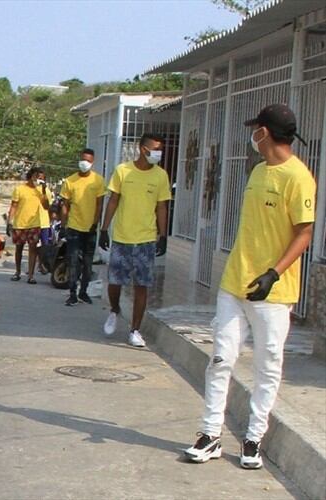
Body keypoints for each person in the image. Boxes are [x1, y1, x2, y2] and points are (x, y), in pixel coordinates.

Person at [184, 104, 316, 470]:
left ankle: (254, 438)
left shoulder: (298, 177)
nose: (252, 137)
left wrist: (273, 273)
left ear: (265, 133)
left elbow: (304, 232)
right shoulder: (258, 171)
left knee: (267, 365)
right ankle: (209, 434)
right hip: (235, 282)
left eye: (255, 130)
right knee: (221, 358)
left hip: (273, 292)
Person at [98, 133, 171, 348]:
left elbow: (162, 207)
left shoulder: (161, 176)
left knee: (141, 285)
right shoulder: (123, 171)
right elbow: (113, 201)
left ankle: (135, 329)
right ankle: (114, 309)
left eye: (160, 149)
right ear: (142, 149)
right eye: (154, 148)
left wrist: (163, 235)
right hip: (122, 237)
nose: (158, 153)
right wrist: (104, 229)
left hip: (146, 239)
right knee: (115, 282)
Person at [61, 148, 105, 306]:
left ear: (92, 163)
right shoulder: (69, 181)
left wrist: (96, 223)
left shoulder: (98, 181)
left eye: (88, 160)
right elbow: (65, 205)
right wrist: (64, 225)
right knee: (72, 260)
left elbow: (100, 204)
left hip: (90, 228)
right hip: (74, 226)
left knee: (87, 263)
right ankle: (72, 293)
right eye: (82, 159)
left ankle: (83, 292)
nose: (84, 163)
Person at [6, 167, 49, 284]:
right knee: (19, 249)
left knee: (33, 249)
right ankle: (18, 271)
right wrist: (9, 222)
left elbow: (46, 206)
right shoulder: (20, 189)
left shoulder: (42, 191)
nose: (38, 180)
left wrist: (44, 190)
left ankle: (31, 275)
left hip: (34, 224)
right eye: (36, 177)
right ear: (31, 176)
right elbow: (14, 206)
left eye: (40, 178)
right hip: (20, 224)